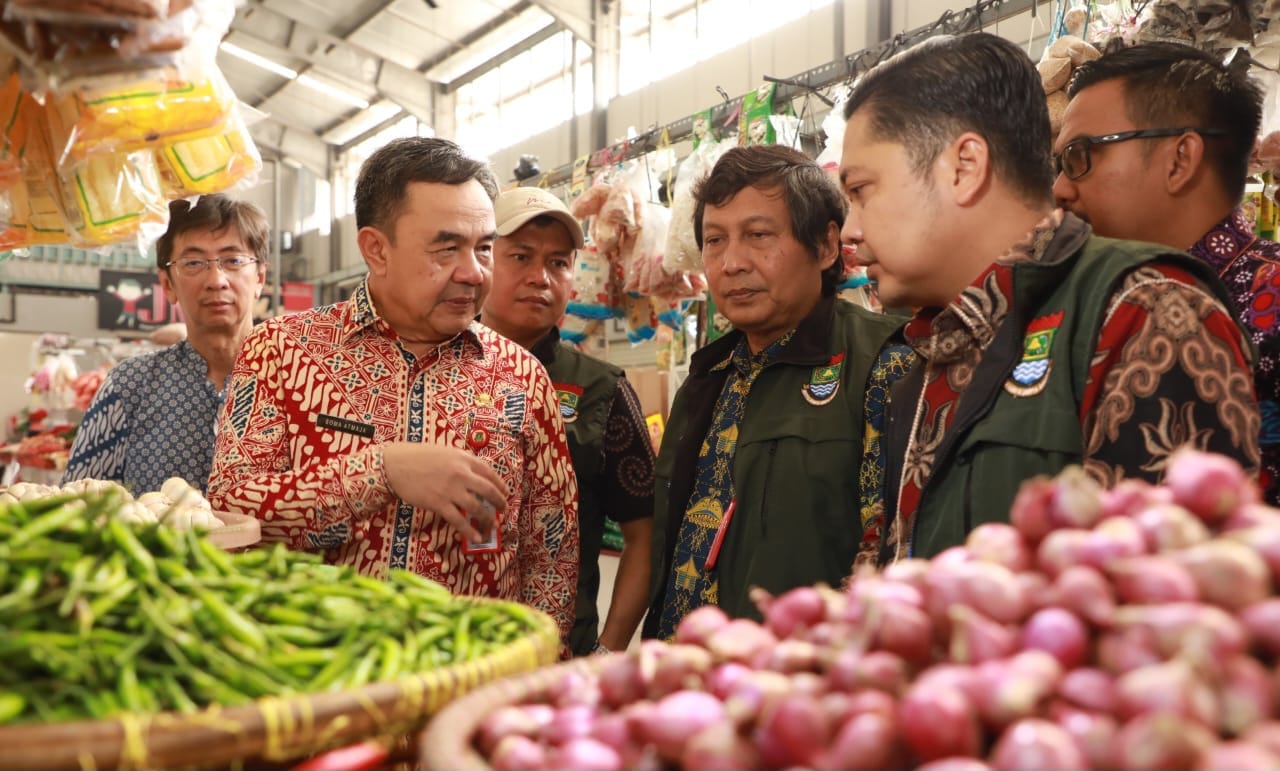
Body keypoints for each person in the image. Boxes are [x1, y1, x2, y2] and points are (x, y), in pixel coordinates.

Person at [839, 32, 1261, 563]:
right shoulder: (928, 357)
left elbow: (1170, 605)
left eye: (861, 191)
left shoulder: (1145, 310)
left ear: (964, 167)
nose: (849, 231)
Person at [207, 137, 579, 644]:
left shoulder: (521, 375)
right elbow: (230, 511)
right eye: (447, 247)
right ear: (376, 249)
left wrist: (537, 682)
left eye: (484, 248)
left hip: (469, 686)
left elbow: (550, 557)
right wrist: (380, 472)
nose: (473, 271)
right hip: (317, 684)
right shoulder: (282, 352)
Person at [644, 145, 914, 638]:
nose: (731, 263)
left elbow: (895, 557)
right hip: (686, 684)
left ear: (827, 246)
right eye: (715, 240)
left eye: (758, 235)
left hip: (794, 684)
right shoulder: (710, 374)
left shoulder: (883, 365)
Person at [1055, 41, 1280, 505]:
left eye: (1080, 156)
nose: (1060, 189)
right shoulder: (1083, 303)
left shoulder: (1271, 299)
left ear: (1180, 160)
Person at [480, 187, 655, 656]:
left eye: (558, 263)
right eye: (519, 256)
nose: (540, 277)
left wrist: (608, 649)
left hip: (557, 653)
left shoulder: (601, 389)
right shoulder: (432, 371)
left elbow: (645, 530)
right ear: (482, 261)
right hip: (445, 650)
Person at [64, 195, 267, 493]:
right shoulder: (130, 386)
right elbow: (77, 504)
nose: (217, 280)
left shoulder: (300, 382)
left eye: (233, 260)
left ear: (260, 277)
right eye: (194, 263)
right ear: (168, 284)